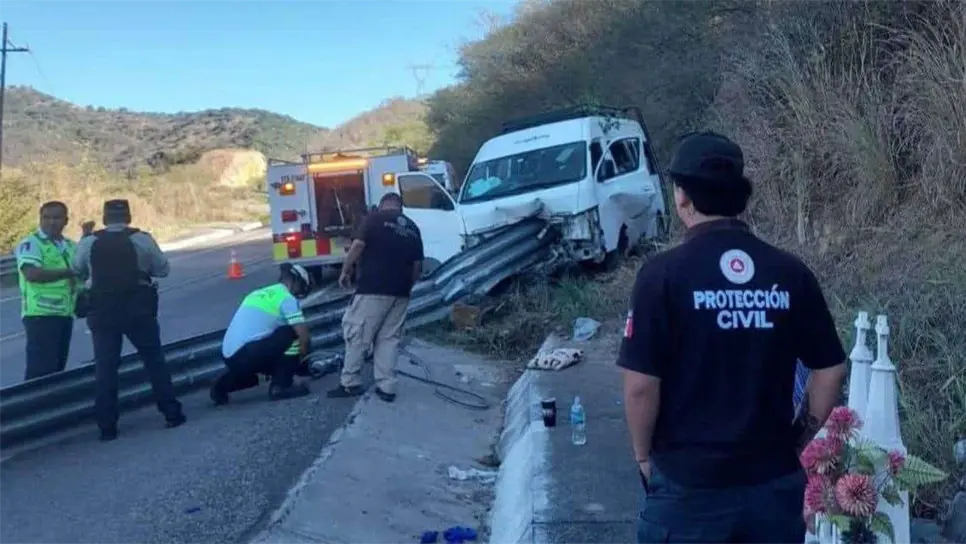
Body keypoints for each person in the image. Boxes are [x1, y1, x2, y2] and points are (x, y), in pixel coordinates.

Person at [618, 132, 848, 544]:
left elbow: (640, 388)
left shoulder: (660, 277)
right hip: (772, 486)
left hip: (688, 490)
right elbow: (830, 368)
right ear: (740, 196)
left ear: (682, 197)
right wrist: (799, 436)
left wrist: (641, 456)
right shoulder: (789, 273)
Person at [72, 199, 185, 442]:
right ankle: (171, 413)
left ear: (104, 218)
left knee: (106, 368)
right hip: (138, 309)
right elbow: (163, 269)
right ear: (129, 216)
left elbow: (77, 269)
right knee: (154, 361)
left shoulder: (90, 241)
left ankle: (107, 426)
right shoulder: (142, 239)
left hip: (102, 312)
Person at [327, 192, 423, 403]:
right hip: (401, 293)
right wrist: (408, 285)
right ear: (400, 207)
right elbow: (417, 266)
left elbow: (358, 245)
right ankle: (387, 386)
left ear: (381, 205)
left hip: (373, 289)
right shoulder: (413, 228)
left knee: (357, 334)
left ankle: (350, 382)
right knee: (389, 339)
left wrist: (345, 270)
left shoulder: (374, 220)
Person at [211, 263, 314, 404]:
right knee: (291, 334)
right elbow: (303, 335)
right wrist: (301, 360)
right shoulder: (286, 298)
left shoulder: (257, 294)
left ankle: (220, 387)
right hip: (249, 353)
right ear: (294, 281)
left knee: (251, 379)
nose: (298, 295)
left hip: (230, 355)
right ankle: (281, 386)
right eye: (300, 288)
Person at [15, 201, 94, 381]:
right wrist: (70, 272)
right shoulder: (31, 243)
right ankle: (33, 407)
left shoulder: (70, 246)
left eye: (57, 218)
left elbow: (82, 273)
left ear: (66, 221)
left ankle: (51, 407)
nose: (51, 222)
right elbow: (32, 274)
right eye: (46, 217)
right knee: (41, 372)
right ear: (40, 219)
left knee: (57, 369)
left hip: (65, 314)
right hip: (40, 316)